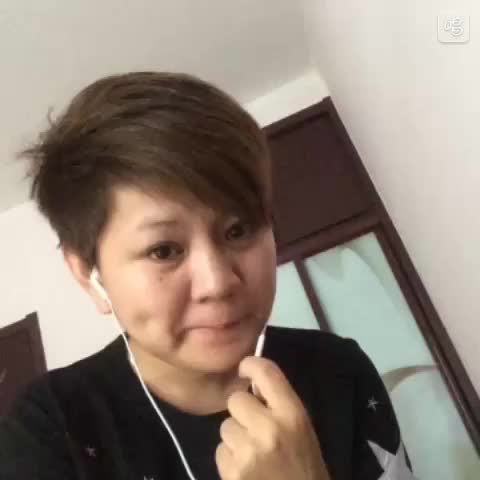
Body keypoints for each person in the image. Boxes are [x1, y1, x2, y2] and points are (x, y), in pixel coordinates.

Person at [0, 72, 415, 480]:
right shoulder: (50, 430)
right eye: (164, 251)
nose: (218, 283)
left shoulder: (339, 372)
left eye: (238, 231)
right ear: (88, 276)